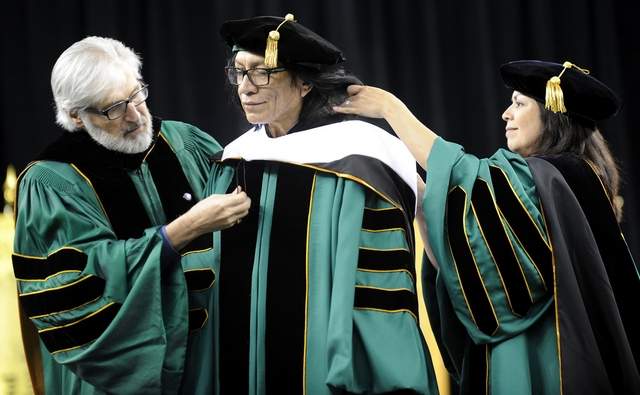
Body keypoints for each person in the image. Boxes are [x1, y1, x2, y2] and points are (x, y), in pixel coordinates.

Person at [333, 60, 640, 394]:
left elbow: (467, 177)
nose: (506, 115)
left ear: (553, 112)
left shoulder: (557, 175)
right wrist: (422, 198)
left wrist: (392, 110)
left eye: (519, 104)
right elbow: (473, 262)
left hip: (550, 355)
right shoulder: (576, 178)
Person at [200, 14, 439, 395]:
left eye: (262, 73)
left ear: (305, 82)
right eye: (239, 72)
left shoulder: (361, 156)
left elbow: (379, 286)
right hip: (241, 362)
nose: (246, 87)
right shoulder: (235, 159)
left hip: (325, 364)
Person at [11, 36, 251, 395]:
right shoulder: (52, 183)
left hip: (207, 362)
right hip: (116, 377)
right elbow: (72, 290)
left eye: (137, 94)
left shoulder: (184, 142)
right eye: (113, 108)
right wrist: (183, 230)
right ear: (76, 116)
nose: (136, 115)